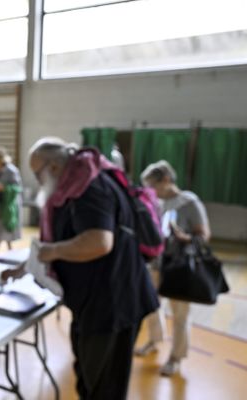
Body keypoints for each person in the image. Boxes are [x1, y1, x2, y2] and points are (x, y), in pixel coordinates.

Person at [18, 137, 158, 399]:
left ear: (55, 167)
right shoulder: (78, 182)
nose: (37, 180)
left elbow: (99, 242)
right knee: (89, 377)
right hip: (99, 301)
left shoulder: (89, 188)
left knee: (103, 386)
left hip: (112, 304)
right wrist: (25, 265)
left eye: (37, 173)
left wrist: (53, 251)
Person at [135, 160, 211, 376]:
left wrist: (183, 237)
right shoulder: (155, 203)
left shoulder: (189, 202)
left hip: (180, 267)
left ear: (166, 180)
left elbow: (203, 236)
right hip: (156, 264)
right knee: (151, 306)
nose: (151, 191)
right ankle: (154, 340)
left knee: (180, 314)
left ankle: (176, 356)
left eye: (154, 186)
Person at [0, 147, 22, 254]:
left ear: (0, 158)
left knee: (7, 227)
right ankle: (0, 251)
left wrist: (5, 188)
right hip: (0, 203)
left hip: (9, 203)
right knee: (0, 228)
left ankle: (7, 252)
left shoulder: (12, 170)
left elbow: (18, 188)